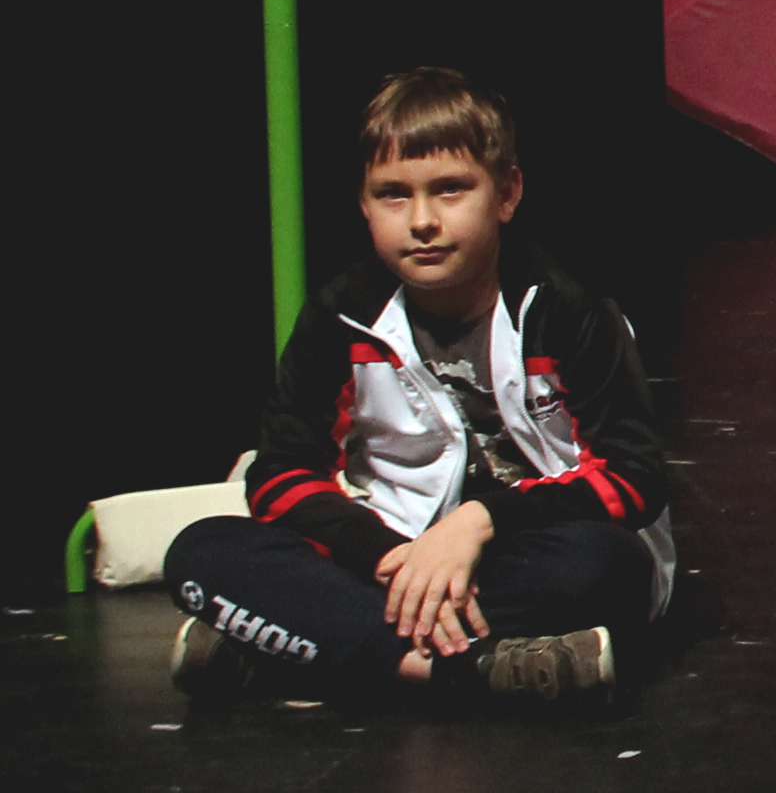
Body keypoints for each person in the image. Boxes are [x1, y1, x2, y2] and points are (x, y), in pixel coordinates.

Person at [168, 69, 672, 708]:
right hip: (390, 560)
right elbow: (279, 474)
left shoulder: (568, 311)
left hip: (514, 557)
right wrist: (390, 558)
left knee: (605, 566)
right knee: (199, 553)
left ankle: (302, 656)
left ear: (507, 194)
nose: (423, 220)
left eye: (450, 189)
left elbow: (633, 478)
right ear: (363, 204)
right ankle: (456, 674)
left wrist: (480, 522)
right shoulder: (341, 315)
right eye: (393, 195)